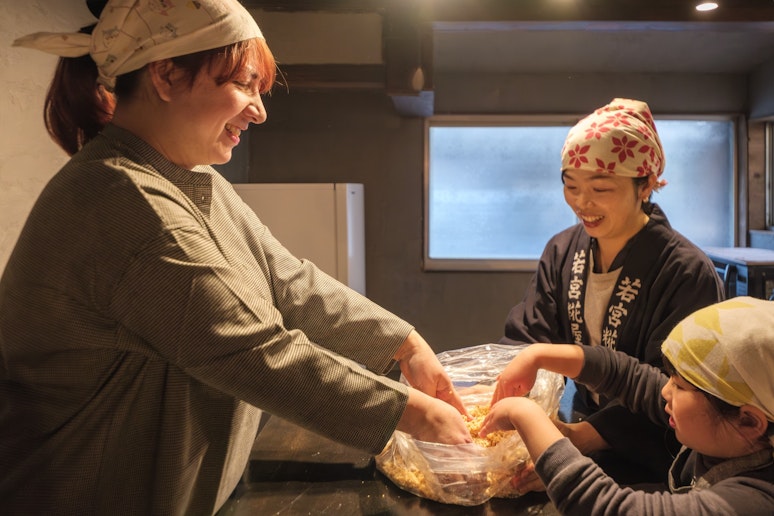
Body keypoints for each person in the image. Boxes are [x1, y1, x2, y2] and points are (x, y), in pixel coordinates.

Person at [1, 1, 471, 514]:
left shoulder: (192, 179)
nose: (259, 110)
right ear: (165, 75)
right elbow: (252, 351)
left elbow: (289, 282)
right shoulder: (120, 196)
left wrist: (404, 344)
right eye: (244, 84)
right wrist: (412, 413)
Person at [498, 97, 724, 489]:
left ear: (646, 185)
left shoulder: (686, 271)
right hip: (581, 426)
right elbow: (530, 336)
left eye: (600, 188)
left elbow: (674, 392)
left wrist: (580, 440)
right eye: (571, 187)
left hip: (656, 450)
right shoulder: (562, 249)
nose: (582, 204)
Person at [482, 296, 774, 515]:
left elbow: (607, 508)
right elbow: (626, 375)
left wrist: (526, 414)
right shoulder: (731, 428)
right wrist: (537, 355)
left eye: (680, 386)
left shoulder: (752, 501)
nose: (666, 391)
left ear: (749, 421)